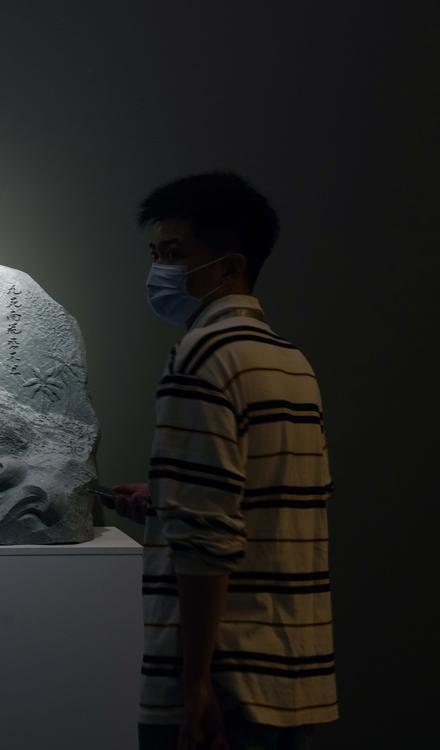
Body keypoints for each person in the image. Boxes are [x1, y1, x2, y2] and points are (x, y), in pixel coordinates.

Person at [110, 172, 338, 750]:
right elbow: (265, 503)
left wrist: (195, 684)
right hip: (292, 671)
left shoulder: (201, 357)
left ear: (230, 266)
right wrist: (166, 502)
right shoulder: (291, 362)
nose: (159, 270)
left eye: (174, 254)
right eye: (155, 253)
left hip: (224, 685)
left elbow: (207, 540)